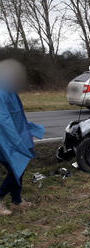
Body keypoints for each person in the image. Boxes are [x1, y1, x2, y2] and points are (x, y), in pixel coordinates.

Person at [0, 59, 45, 215]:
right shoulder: (1, 92)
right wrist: (16, 142)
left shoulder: (11, 91)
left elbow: (18, 115)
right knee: (15, 169)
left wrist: (28, 129)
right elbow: (4, 120)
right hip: (5, 140)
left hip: (15, 137)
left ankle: (17, 200)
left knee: (19, 168)